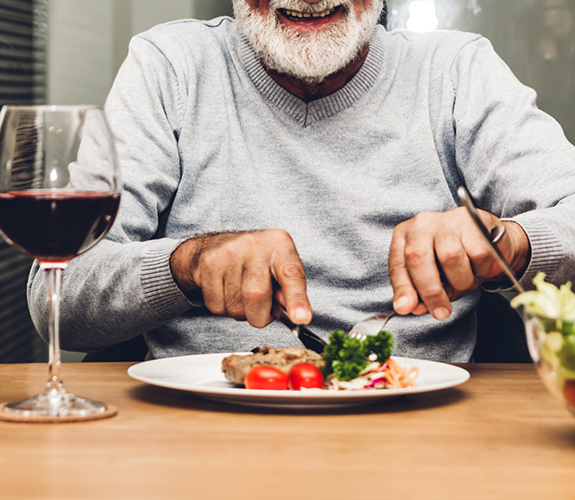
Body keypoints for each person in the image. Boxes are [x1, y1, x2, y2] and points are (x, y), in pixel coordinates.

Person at [28, 0, 575, 362]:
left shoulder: (456, 70)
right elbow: (58, 297)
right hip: (196, 429)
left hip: (418, 427)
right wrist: (187, 265)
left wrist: (506, 242)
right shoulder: (168, 66)